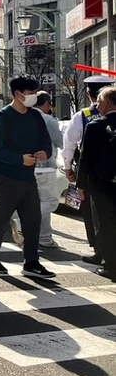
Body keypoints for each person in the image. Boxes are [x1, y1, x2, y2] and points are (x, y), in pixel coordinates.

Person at [0, 75, 56, 280]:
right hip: (5, 176)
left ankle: (31, 261)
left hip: (28, 176)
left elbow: (45, 140)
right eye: (31, 93)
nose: (34, 97)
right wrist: (19, 159)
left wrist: (45, 152)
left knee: (33, 218)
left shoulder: (35, 116)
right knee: (1, 216)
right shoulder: (2, 117)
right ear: (18, 94)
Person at [62, 75, 114, 264]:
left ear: (90, 95)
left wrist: (68, 168)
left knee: (95, 215)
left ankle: (100, 251)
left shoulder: (83, 116)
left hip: (94, 176)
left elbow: (69, 145)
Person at [11, 91, 63, 250]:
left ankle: (44, 236)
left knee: (29, 201)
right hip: (45, 167)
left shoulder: (21, 117)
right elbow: (59, 141)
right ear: (46, 105)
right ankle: (26, 225)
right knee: (49, 202)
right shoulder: (48, 120)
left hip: (25, 166)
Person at [76, 86, 116, 280]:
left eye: (99, 102)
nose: (97, 106)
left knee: (104, 224)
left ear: (108, 103)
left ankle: (110, 266)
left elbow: (86, 160)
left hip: (102, 184)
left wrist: (81, 185)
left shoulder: (95, 126)